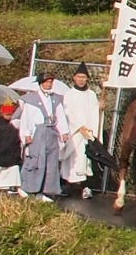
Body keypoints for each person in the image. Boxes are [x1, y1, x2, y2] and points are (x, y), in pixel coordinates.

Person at [57, 67, 103, 197]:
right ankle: (66, 185)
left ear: (87, 79)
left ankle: (85, 187)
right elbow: (67, 113)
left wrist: (100, 109)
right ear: (74, 78)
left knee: (85, 160)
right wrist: (78, 127)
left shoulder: (91, 94)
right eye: (79, 77)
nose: (81, 80)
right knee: (72, 160)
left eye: (84, 77)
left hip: (88, 132)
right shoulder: (69, 94)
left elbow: (94, 113)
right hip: (75, 132)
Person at [15, 79, 63, 200]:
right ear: (41, 83)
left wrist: (64, 131)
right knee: (34, 160)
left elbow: (60, 116)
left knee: (51, 162)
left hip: (51, 132)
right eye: (46, 82)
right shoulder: (31, 100)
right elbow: (26, 118)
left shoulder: (55, 99)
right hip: (37, 132)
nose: (48, 85)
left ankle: (45, 191)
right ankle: (26, 187)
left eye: (50, 82)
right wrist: (26, 134)